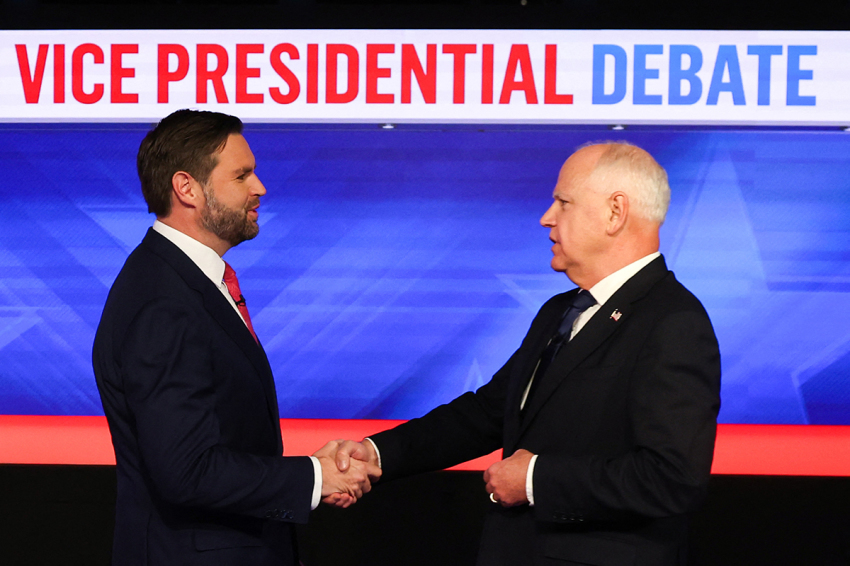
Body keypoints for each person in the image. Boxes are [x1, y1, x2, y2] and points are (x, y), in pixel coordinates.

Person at [334, 142, 721, 566]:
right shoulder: (559, 311)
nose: (546, 218)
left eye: (563, 202)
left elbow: (672, 479)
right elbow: (487, 414)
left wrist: (537, 479)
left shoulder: (673, 322)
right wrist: (375, 454)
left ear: (615, 212)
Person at [92, 109, 378, 566]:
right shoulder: (163, 301)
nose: (259, 188)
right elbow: (186, 471)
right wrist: (313, 477)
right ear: (187, 188)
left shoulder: (182, 282)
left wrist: (311, 474)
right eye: (242, 175)